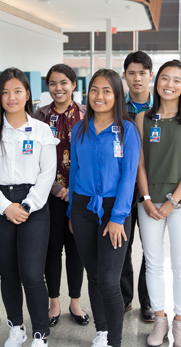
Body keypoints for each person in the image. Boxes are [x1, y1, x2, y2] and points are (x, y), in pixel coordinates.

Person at [0, 67, 58, 347]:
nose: (11, 97)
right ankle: (17, 328)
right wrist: (5, 206)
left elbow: (48, 174)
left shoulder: (41, 130)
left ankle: (40, 333)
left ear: (27, 95)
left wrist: (27, 205)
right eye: (6, 92)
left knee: (32, 273)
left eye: (18, 91)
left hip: (33, 205)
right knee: (8, 272)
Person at [68, 69, 140, 347]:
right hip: (83, 208)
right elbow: (74, 171)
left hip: (114, 210)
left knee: (110, 280)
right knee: (94, 275)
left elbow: (129, 175)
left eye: (107, 90)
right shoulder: (79, 129)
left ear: (117, 95)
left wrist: (118, 217)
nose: (99, 96)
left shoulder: (127, 129)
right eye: (95, 90)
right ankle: (102, 331)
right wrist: (72, 212)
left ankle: (115, 341)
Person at [135, 60, 181, 347]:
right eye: (165, 78)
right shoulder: (142, 119)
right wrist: (147, 199)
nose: (170, 84)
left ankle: (179, 323)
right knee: (152, 262)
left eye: (177, 80)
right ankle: (159, 320)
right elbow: (138, 164)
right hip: (149, 199)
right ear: (156, 81)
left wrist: (172, 201)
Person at [34, 64, 89, 327]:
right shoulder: (39, 116)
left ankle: (75, 302)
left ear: (74, 85)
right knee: (52, 249)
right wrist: (57, 189)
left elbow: (91, 158)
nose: (58, 88)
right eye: (53, 83)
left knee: (76, 248)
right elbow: (34, 156)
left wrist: (75, 189)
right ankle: (54, 303)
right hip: (48, 194)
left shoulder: (87, 115)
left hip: (80, 194)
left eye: (64, 82)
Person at [120, 51, 154, 321]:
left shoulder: (163, 107)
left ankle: (149, 300)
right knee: (122, 244)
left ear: (150, 75)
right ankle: (123, 297)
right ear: (124, 76)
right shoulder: (116, 107)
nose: (137, 78)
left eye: (142, 73)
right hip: (122, 186)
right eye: (132, 73)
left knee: (151, 245)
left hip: (152, 185)